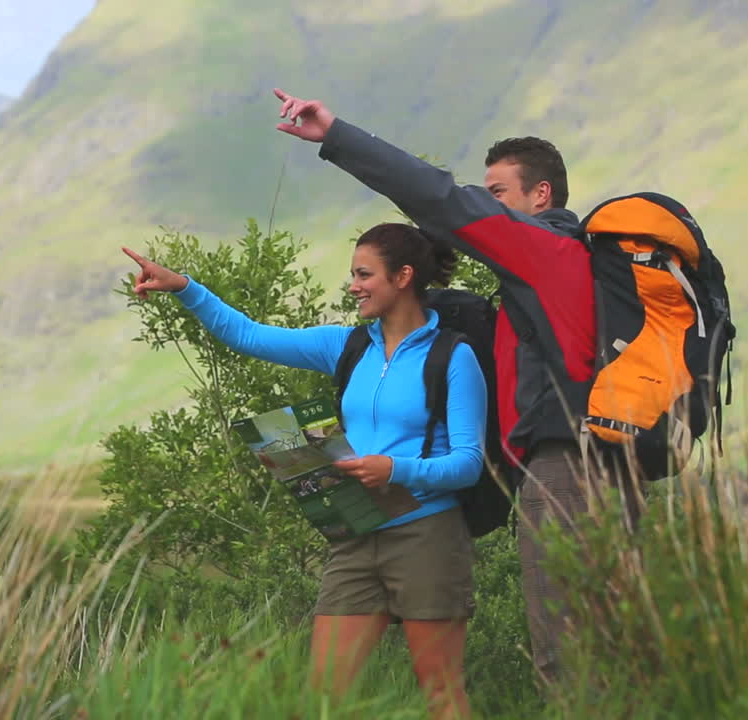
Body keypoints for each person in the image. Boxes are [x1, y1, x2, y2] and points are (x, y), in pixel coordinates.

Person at [271, 88, 642, 685]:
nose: (486, 207)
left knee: (569, 653)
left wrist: (335, 134)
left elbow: (440, 198)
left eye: (497, 193)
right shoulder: (566, 267)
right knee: (607, 642)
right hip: (602, 459)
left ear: (539, 196)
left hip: (570, 465)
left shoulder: (546, 251)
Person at [124, 222, 485, 719]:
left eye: (364, 274)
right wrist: (186, 288)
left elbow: (468, 464)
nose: (354, 285)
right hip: (356, 536)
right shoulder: (346, 346)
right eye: (353, 274)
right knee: (322, 697)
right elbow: (248, 335)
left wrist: (394, 469)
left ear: (403, 276)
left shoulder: (454, 357)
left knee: (440, 691)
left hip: (427, 535)